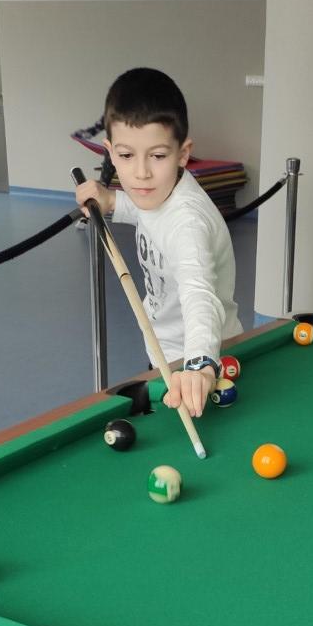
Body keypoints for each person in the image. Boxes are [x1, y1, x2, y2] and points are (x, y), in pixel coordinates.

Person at [74, 68, 241, 417]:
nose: (141, 173)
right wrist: (111, 200)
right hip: (164, 351)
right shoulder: (158, 191)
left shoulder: (189, 224)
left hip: (206, 363)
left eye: (158, 156)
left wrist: (199, 364)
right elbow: (145, 210)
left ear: (183, 153)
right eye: (126, 155)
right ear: (109, 153)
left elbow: (198, 293)